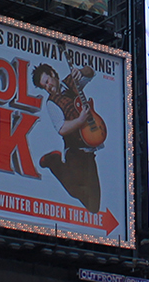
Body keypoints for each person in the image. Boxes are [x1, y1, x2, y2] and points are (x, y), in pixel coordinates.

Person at [32, 63, 103, 212]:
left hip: (88, 149)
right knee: (73, 188)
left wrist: (82, 71)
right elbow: (62, 128)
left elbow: (90, 72)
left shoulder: (71, 82)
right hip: (74, 150)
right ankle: (53, 161)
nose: (48, 87)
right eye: (44, 86)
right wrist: (80, 120)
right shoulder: (51, 103)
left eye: (47, 81)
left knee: (94, 207)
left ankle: (54, 161)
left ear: (52, 73)